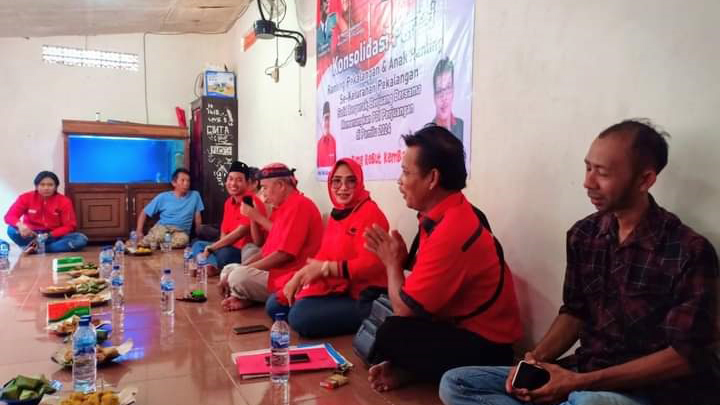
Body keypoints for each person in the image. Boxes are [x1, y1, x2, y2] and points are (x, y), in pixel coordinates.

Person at [439, 120, 720, 405]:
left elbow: (686, 356)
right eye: (588, 168)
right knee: (456, 383)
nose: (588, 183)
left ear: (645, 180)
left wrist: (580, 383)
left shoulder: (689, 250)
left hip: (653, 392)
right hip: (584, 371)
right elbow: (575, 312)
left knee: (584, 402)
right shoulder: (584, 234)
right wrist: (534, 361)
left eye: (603, 173)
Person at [363, 125, 523, 391]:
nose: (400, 181)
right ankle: (414, 370)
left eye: (406, 172)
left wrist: (392, 264)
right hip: (453, 324)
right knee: (376, 304)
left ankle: (419, 370)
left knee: (390, 333)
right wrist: (400, 262)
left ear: (432, 178)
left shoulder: (453, 230)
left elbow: (404, 310)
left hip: (489, 347)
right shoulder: (447, 213)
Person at [266, 158, 389, 338]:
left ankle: (372, 319)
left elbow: (371, 263)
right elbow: (324, 254)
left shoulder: (370, 213)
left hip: (365, 295)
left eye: (351, 181)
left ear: (359, 182)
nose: (343, 187)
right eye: (337, 181)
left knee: (300, 316)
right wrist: (300, 276)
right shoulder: (338, 213)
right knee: (275, 304)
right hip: (339, 287)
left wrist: (326, 269)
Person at [218, 164, 323, 311]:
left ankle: (246, 294)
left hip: (292, 275)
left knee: (237, 276)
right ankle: (247, 296)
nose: (263, 194)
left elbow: (284, 255)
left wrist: (243, 270)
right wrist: (242, 267)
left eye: (265, 188)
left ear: (280, 185)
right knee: (229, 270)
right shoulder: (282, 207)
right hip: (276, 271)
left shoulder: (300, 205)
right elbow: (265, 250)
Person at [190, 161, 266, 276]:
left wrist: (212, 248)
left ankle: (210, 264)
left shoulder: (251, 202)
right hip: (228, 246)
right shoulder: (228, 202)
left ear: (247, 183)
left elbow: (240, 232)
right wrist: (218, 246)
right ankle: (211, 266)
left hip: (243, 251)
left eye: (239, 180)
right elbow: (224, 231)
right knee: (197, 244)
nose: (233, 183)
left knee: (224, 254)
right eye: (230, 179)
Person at [4, 171, 88, 253]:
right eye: (42, 184)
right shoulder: (25, 198)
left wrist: (49, 235)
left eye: (50, 185)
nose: (46, 188)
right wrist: (21, 225)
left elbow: (69, 226)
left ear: (56, 187)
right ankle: (37, 247)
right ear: (36, 186)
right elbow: (9, 216)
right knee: (11, 229)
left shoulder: (64, 201)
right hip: (31, 235)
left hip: (53, 236)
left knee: (80, 239)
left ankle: (37, 249)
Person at [136, 168, 204, 249]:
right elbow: (144, 212)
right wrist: (139, 231)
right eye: (182, 180)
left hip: (181, 231)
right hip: (163, 228)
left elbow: (198, 217)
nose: (186, 184)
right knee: (154, 238)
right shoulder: (163, 197)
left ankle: (159, 246)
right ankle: (140, 245)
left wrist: (199, 233)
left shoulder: (195, 195)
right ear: (174, 183)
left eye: (188, 181)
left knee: (183, 240)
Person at [431, 57, 464, 142]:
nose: (444, 97)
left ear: (453, 90)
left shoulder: (461, 125)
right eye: (439, 91)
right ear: (434, 97)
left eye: (448, 88)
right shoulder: (428, 133)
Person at [317, 101, 338, 168]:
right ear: (322, 120)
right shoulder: (319, 143)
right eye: (325, 119)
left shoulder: (334, 142)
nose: (327, 122)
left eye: (328, 119)